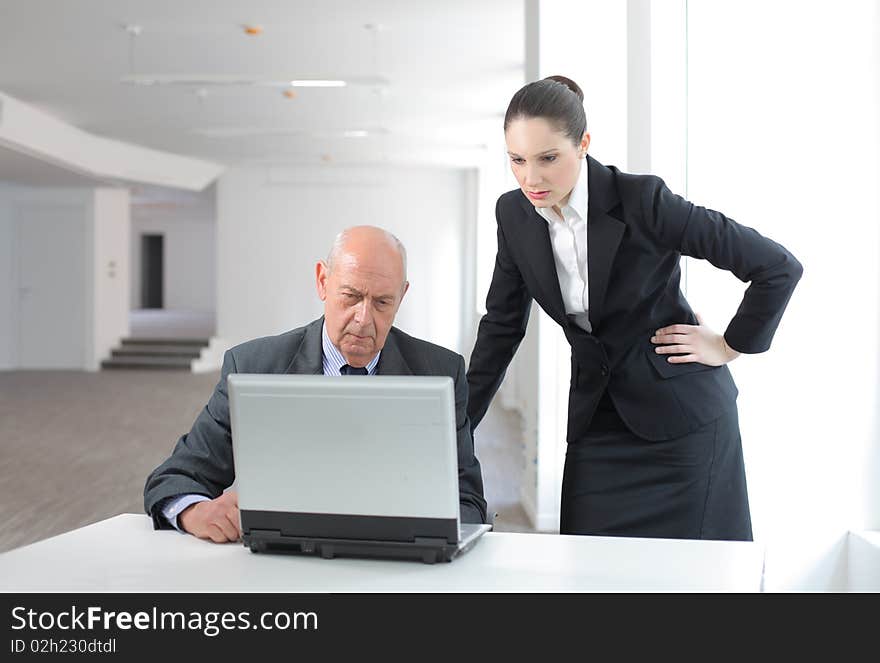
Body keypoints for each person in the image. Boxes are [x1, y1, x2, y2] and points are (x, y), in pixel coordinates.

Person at [467, 76, 802, 541]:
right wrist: (457, 427)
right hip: (596, 430)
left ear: (583, 144)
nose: (531, 178)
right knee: (591, 578)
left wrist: (730, 345)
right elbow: (502, 327)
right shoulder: (514, 215)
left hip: (684, 429)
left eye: (548, 159)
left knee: (695, 586)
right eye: (517, 160)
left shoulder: (642, 201)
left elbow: (777, 267)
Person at [145, 225, 487, 542]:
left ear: (403, 295)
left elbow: (468, 500)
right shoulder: (253, 367)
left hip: (399, 558)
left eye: (382, 302)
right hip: (286, 561)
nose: (363, 319)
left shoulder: (441, 372)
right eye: (351, 296)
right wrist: (195, 511)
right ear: (323, 281)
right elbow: (174, 477)